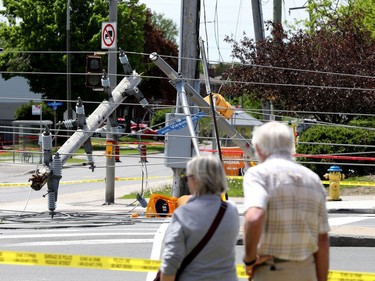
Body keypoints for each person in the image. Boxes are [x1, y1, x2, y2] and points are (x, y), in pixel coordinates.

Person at [242, 121, 330, 281]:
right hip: (307, 270)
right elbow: (322, 241)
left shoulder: (258, 175)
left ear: (259, 149)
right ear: (291, 146)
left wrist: (249, 259)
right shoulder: (313, 179)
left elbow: (254, 217)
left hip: (271, 269)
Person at [160, 155, 239, 281]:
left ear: (196, 180)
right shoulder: (231, 210)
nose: (187, 181)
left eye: (187, 178)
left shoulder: (183, 214)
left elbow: (171, 260)